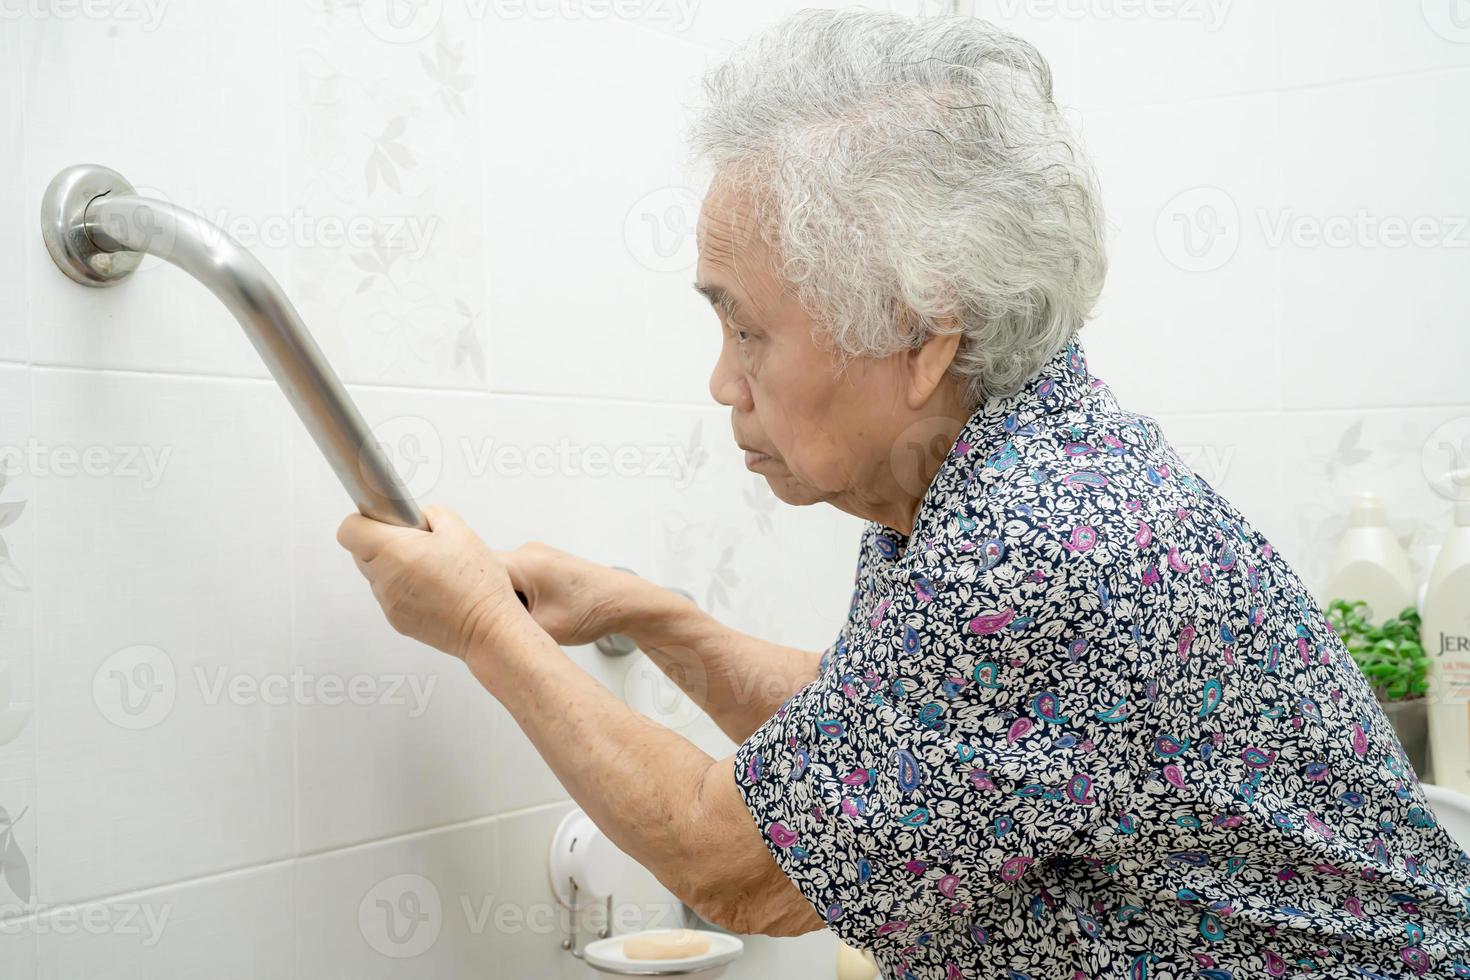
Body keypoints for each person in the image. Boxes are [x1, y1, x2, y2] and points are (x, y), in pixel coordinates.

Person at [336, 9, 1470, 977]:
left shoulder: (1038, 545)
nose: (723, 379)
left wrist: (482, 625)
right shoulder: (1017, 466)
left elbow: (730, 863)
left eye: (747, 325)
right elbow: (896, 731)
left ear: (924, 336)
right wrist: (655, 616)